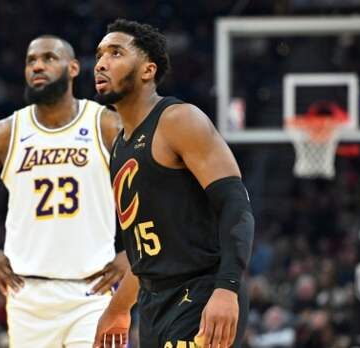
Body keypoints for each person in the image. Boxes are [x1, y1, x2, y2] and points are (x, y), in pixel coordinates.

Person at [0, 35, 127, 347]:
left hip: (92, 294)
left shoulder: (106, 125)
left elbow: (158, 186)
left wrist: (134, 255)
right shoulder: (4, 134)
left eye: (48, 58)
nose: (38, 65)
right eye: (31, 61)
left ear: (73, 68)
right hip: (27, 297)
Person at [92, 19, 254, 348]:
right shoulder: (120, 146)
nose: (101, 63)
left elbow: (236, 204)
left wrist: (227, 288)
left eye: (116, 52)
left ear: (147, 70)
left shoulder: (178, 119)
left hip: (200, 292)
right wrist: (118, 308)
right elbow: (148, 251)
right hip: (154, 305)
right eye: (99, 55)